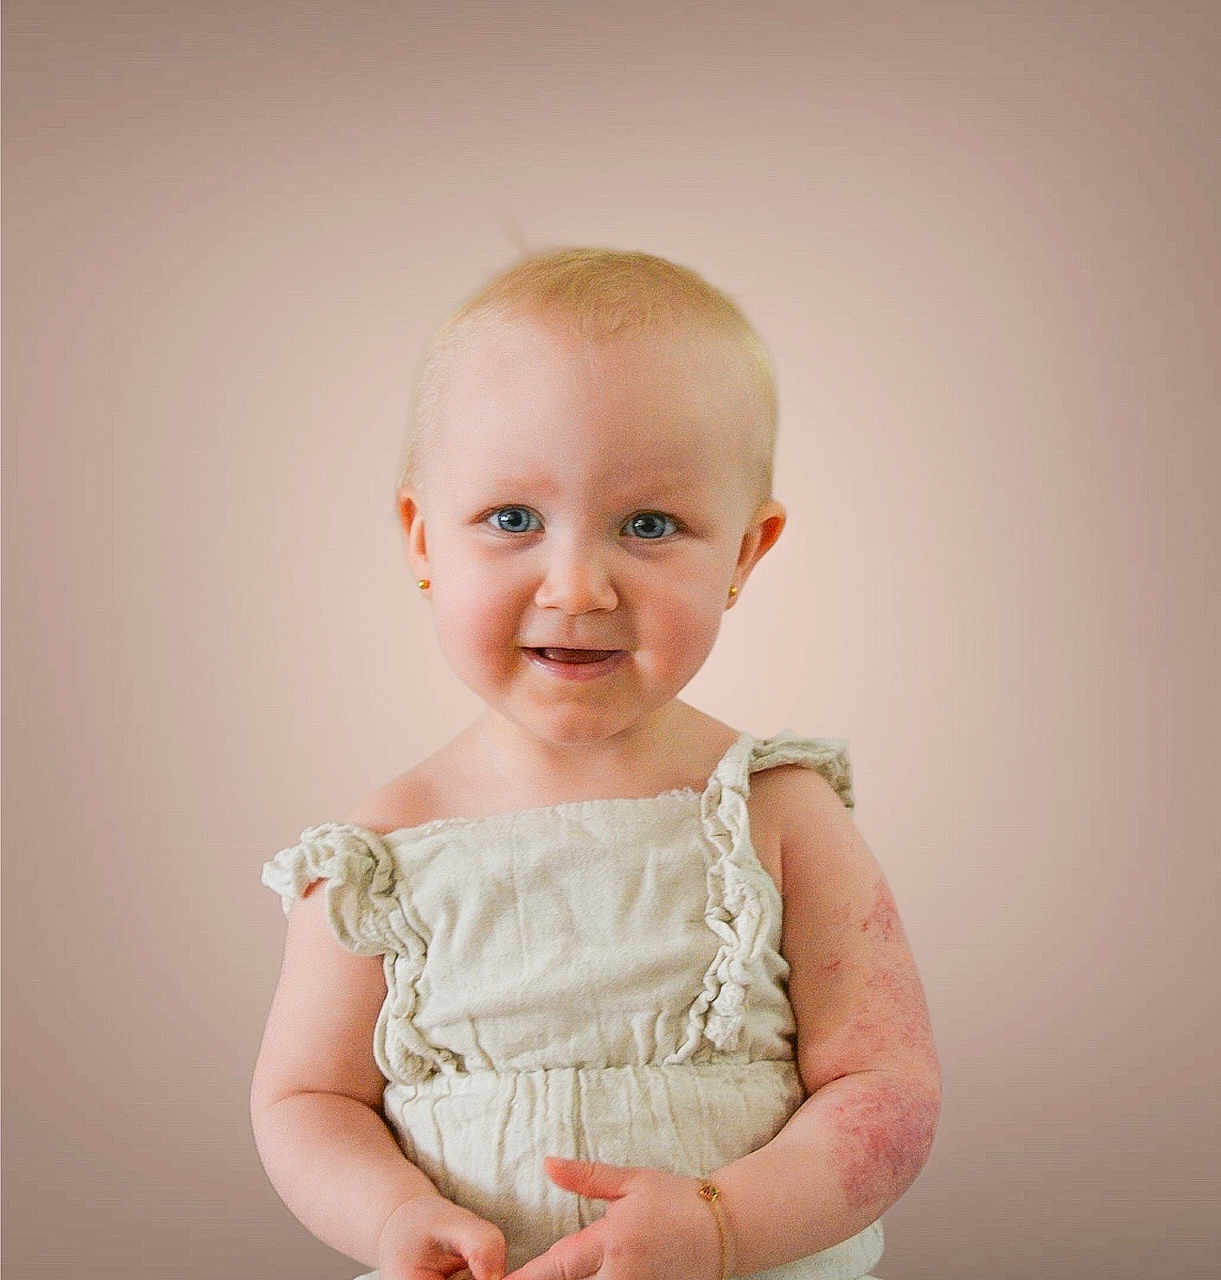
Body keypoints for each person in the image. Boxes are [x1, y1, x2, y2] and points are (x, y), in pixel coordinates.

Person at [251, 246, 941, 1280]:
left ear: (745, 554)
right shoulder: (384, 850)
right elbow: (306, 1099)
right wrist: (392, 1216)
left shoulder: (775, 813)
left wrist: (721, 1223)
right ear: (422, 537)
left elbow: (885, 1086)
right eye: (511, 518)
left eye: (649, 523)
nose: (575, 585)